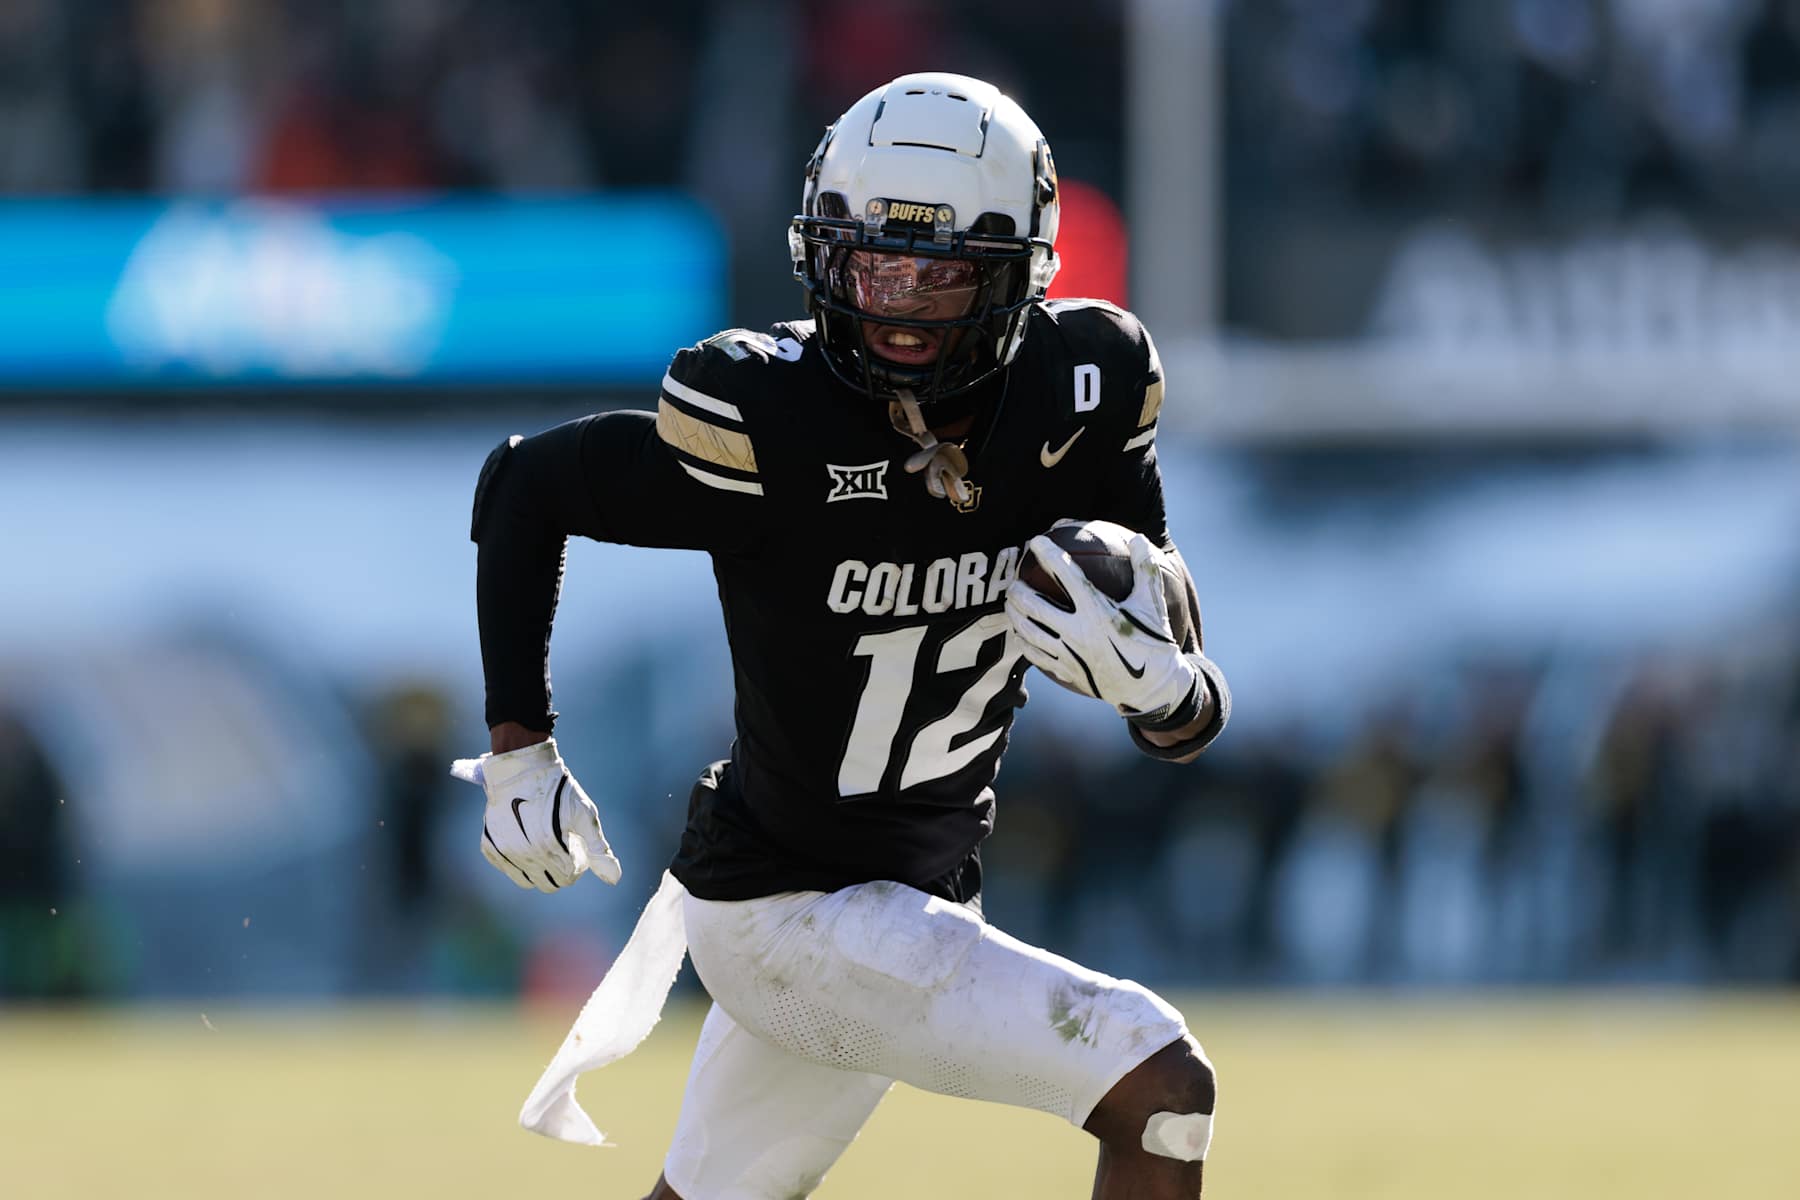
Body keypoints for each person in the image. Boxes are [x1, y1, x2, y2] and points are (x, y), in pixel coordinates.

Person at [457, 72, 1231, 1200]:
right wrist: (519, 745)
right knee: (1159, 1086)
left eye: (942, 271)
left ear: (1018, 270)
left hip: (912, 897)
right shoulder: (769, 416)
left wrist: (1164, 689)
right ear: (824, 254)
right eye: (875, 263)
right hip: (786, 908)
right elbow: (526, 485)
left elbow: (1185, 715)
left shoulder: (1085, 390)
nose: (902, 305)